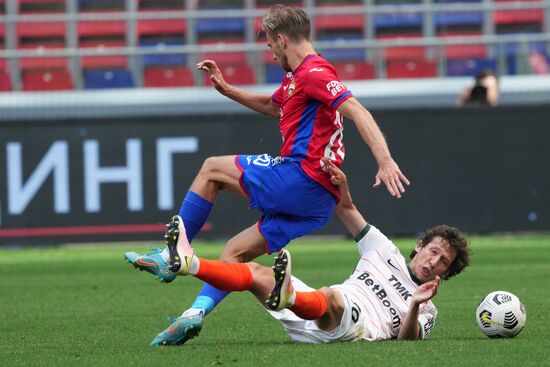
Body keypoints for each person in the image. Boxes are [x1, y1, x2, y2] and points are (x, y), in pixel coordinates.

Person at [125, 5, 409, 345]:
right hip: (319, 202)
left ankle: (175, 252)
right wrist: (228, 90)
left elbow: (357, 110)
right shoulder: (297, 77)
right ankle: (193, 314)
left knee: (212, 169)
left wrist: (386, 159)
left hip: (301, 176)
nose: (270, 52)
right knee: (236, 252)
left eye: (271, 44)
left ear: (282, 38)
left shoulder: (314, 72)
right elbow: (275, 106)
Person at [148, 159, 471, 345]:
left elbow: (408, 340)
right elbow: (346, 209)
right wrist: (341, 185)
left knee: (333, 298)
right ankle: (189, 264)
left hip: (352, 325)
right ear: (419, 246)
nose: (434, 261)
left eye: (443, 262)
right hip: (311, 320)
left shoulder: (427, 308)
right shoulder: (383, 249)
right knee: (254, 273)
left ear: (446, 273)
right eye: (433, 251)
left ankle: (290, 296)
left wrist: (414, 303)